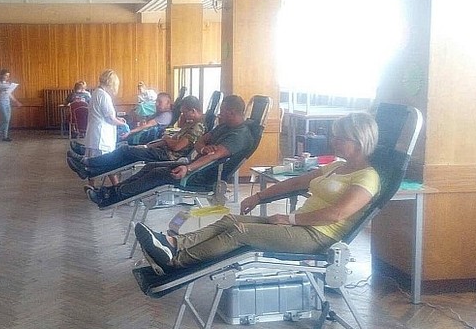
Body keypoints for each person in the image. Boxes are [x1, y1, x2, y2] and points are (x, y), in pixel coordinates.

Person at [134, 112, 381, 275]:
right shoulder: (337, 166)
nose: (334, 142)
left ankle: (176, 262)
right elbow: (296, 182)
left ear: (360, 141)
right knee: (230, 220)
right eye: (335, 137)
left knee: (240, 232)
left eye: (341, 138)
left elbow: (337, 214)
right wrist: (259, 196)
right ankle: (173, 244)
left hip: (318, 236)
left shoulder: (367, 177)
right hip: (301, 226)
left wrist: (290, 219)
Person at [86, 95, 258, 208]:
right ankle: (110, 192)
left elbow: (213, 156)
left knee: (158, 173)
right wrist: (203, 147)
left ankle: (110, 196)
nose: (219, 114)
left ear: (232, 112)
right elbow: (201, 141)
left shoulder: (240, 135)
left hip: (203, 176)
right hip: (196, 166)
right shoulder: (224, 126)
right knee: (150, 167)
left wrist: (188, 168)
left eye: (222, 112)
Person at [66, 96, 205, 179]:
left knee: (124, 151)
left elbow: (176, 146)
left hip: (167, 156)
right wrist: (154, 144)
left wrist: (167, 139)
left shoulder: (197, 127)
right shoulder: (190, 124)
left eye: (184, 113)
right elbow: (170, 140)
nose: (182, 115)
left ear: (193, 111)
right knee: (124, 157)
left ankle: (87, 163)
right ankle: (89, 168)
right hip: (161, 150)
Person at [0, 69, 21, 142]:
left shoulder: (8, 84)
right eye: (6, 75)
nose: (7, 77)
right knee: (6, 119)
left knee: (7, 120)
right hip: (1, 102)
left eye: (8, 76)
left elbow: (10, 94)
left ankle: (5, 137)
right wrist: (2, 90)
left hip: (7, 103)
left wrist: (16, 101)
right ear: (2, 75)